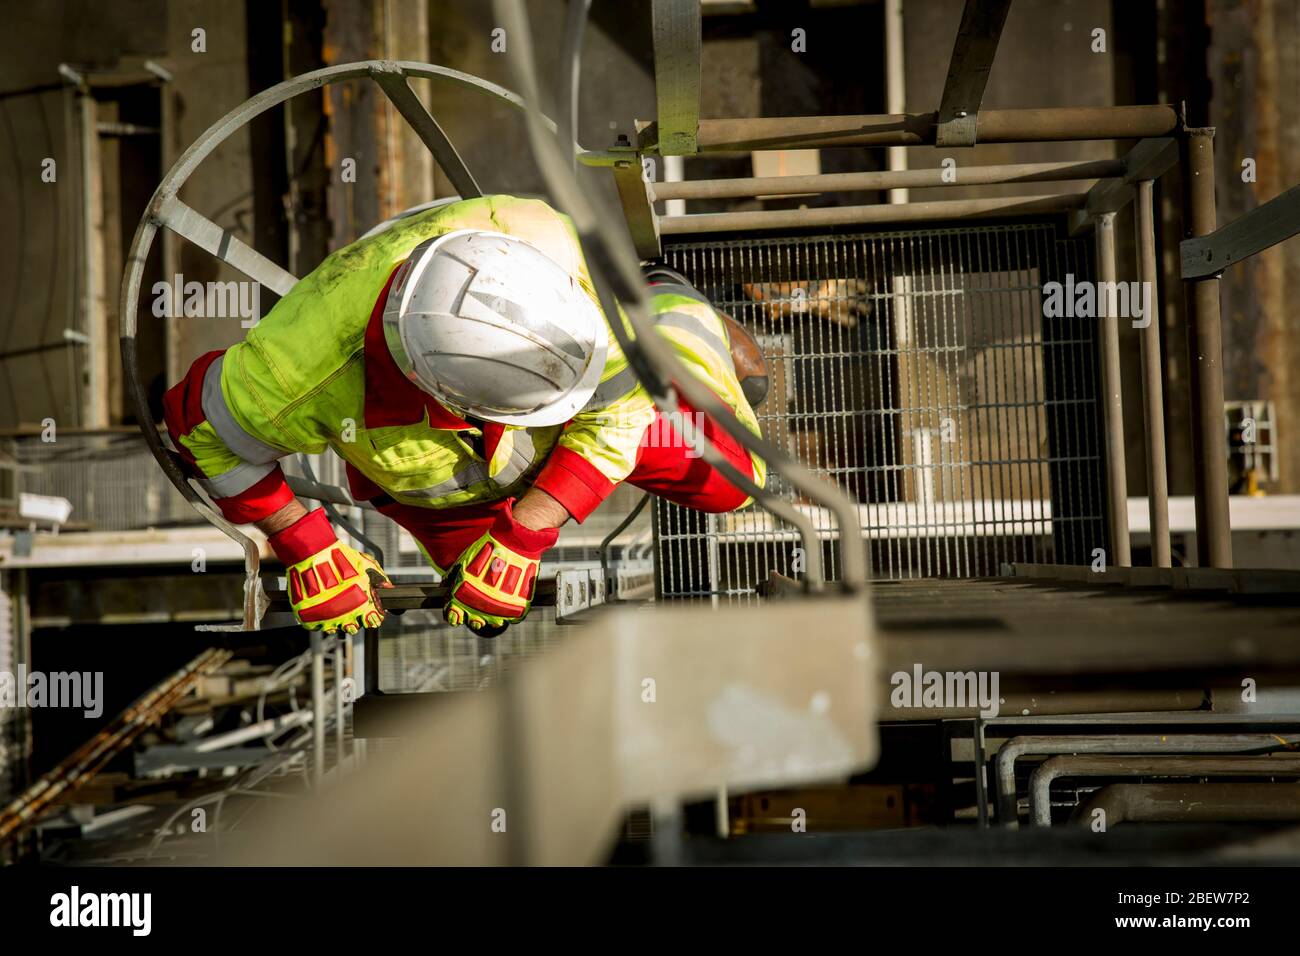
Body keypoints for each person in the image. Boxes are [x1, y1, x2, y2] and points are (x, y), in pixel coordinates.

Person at [163, 195, 768, 636]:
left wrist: (526, 533)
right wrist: (302, 542)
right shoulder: (296, 370)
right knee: (481, 599)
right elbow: (200, 427)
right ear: (444, 398)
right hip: (437, 478)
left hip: (588, 389)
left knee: (733, 482)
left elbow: (618, 412)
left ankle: (672, 300)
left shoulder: (550, 253)